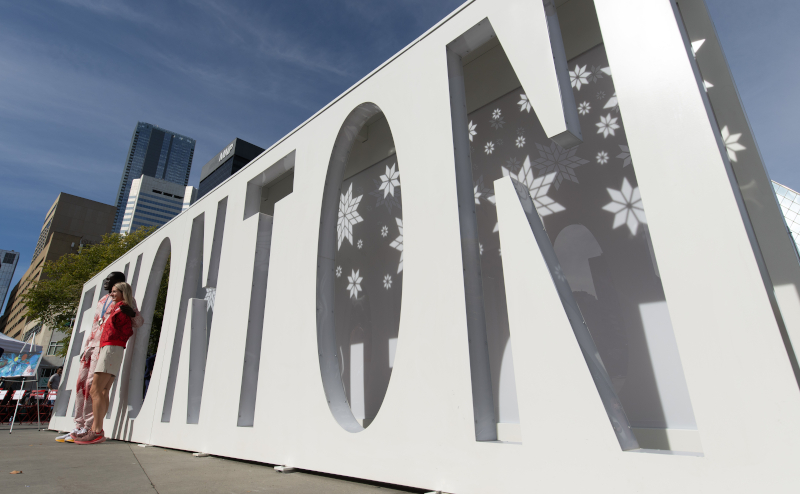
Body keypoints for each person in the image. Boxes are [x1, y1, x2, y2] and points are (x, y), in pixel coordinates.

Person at [55, 272, 142, 443]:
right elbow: (97, 323)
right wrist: (87, 345)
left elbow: (138, 321)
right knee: (81, 384)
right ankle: (78, 425)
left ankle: (90, 427)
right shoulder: (102, 300)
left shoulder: (126, 301)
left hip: (107, 346)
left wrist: (132, 313)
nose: (107, 282)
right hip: (92, 345)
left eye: (111, 280)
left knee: (92, 387)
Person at [75, 282, 135, 445]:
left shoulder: (121, 309)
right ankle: (97, 430)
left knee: (95, 390)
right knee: (102, 391)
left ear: (123, 292)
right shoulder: (120, 308)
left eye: (115, 291)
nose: (111, 293)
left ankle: (96, 431)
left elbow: (127, 330)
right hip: (113, 349)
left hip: (111, 348)